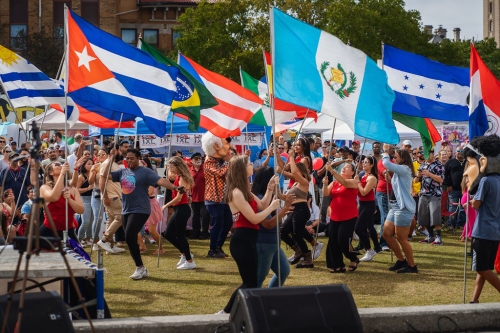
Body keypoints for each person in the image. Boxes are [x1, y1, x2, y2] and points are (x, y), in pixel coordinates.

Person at [103, 148, 184, 280]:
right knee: (130, 238)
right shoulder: (123, 171)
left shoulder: (145, 172)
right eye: (127, 158)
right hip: (126, 210)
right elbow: (106, 176)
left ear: (139, 159)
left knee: (129, 236)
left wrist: (175, 187)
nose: (129, 160)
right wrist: (110, 159)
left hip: (141, 209)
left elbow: (161, 181)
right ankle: (140, 268)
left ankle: (140, 268)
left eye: (132, 158)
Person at [217, 155, 280, 314]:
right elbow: (254, 218)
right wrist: (272, 209)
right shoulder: (236, 192)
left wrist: (270, 189)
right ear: (242, 168)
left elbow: (262, 204)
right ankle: (226, 312)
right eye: (250, 163)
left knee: (251, 282)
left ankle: (234, 311)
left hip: (250, 240)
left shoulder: (246, 190)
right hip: (242, 240)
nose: (253, 165)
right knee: (249, 282)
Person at [463, 135, 500, 303]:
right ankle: (475, 300)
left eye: (470, 164)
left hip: (483, 231)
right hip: (495, 231)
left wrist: (471, 201)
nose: (466, 170)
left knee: (482, 268)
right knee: (483, 268)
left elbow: (476, 205)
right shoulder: (498, 180)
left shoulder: (485, 180)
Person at [252, 166, 294, 288]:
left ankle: (270, 296)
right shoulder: (260, 199)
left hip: (274, 242)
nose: (277, 182)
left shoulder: (270, 197)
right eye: (274, 180)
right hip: (264, 243)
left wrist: (283, 205)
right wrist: (284, 209)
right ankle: (253, 302)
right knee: (259, 277)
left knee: (284, 271)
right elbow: (268, 224)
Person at [381, 144, 418, 273]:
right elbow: (399, 187)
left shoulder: (405, 168)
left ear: (402, 158)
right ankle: (401, 260)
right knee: (386, 234)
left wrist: (385, 151)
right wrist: (391, 179)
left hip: (403, 208)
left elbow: (387, 164)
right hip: (395, 206)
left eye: (395, 157)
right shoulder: (402, 170)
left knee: (401, 238)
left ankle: (412, 266)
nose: (393, 159)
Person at [323, 162, 359, 273]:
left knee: (343, 240)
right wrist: (325, 184)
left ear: (352, 172)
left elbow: (344, 182)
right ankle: (338, 265)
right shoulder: (334, 183)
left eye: (347, 167)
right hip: (335, 215)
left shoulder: (354, 181)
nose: (344, 169)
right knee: (333, 241)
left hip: (349, 216)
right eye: (343, 167)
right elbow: (325, 193)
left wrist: (332, 171)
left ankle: (353, 258)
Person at [280, 149, 313, 268]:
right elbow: (286, 197)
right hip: (294, 209)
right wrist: (276, 193)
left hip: (301, 209)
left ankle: (308, 258)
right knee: (282, 233)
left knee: (297, 235)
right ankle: (299, 251)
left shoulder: (304, 182)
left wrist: (291, 157)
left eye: (298, 170)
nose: (295, 172)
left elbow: (293, 171)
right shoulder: (295, 184)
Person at [201, 132, 233, 259]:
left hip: (223, 198)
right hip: (213, 198)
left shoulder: (220, 161)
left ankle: (218, 246)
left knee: (228, 221)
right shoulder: (208, 162)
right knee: (218, 223)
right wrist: (228, 162)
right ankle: (212, 249)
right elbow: (220, 173)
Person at [161, 156, 196, 270]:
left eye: (172, 167)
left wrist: (165, 206)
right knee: (170, 234)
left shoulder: (182, 178)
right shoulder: (181, 177)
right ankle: (185, 254)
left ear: (178, 166)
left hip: (181, 208)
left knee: (177, 235)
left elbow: (179, 198)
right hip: (180, 208)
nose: (171, 170)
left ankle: (189, 260)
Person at [39, 162, 84, 242]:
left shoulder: (73, 190)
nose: (61, 165)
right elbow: (54, 197)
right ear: (50, 172)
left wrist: (69, 199)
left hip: (68, 231)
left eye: (61, 164)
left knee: (79, 254)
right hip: (48, 232)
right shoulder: (45, 188)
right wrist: (62, 173)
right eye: (57, 165)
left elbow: (81, 210)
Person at [96, 148, 125, 254]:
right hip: (111, 196)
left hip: (114, 195)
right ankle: (104, 240)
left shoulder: (112, 163)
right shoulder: (107, 163)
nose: (120, 152)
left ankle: (110, 245)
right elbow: (101, 181)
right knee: (121, 217)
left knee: (111, 219)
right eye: (119, 150)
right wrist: (105, 196)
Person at [415, 149, 445, 245]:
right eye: (425, 154)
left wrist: (429, 174)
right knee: (424, 216)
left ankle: (439, 237)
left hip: (435, 194)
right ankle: (430, 236)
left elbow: (441, 180)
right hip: (423, 193)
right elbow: (415, 181)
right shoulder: (423, 165)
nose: (426, 156)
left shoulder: (439, 165)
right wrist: (418, 176)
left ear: (432, 154)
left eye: (428, 154)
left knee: (435, 215)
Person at [357, 156, 381, 261]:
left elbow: (364, 192)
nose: (364, 164)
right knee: (363, 228)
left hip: (368, 205)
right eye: (363, 162)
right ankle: (370, 249)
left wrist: (357, 182)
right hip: (361, 204)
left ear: (372, 165)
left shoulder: (372, 178)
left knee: (358, 228)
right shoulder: (363, 176)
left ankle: (370, 250)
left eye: (366, 162)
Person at [76, 158, 99, 247]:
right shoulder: (81, 176)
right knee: (85, 221)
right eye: (88, 164)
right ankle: (79, 239)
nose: (91, 165)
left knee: (91, 221)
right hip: (84, 200)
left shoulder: (94, 174)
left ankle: (88, 239)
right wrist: (88, 188)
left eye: (92, 164)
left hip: (94, 198)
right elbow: (77, 189)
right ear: (84, 166)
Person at [444, 145, 466, 232]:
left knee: (463, 207)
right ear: (455, 152)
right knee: (452, 207)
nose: (460, 153)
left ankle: (460, 224)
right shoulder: (450, 162)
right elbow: (445, 175)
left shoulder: (467, 162)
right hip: (453, 189)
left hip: (464, 189)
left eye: (462, 151)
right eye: (458, 151)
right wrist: (449, 185)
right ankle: (450, 225)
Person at [189, 152, 210, 240]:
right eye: (196, 159)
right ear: (192, 160)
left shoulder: (205, 169)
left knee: (204, 216)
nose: (198, 160)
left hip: (204, 196)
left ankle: (205, 232)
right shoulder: (189, 170)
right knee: (195, 216)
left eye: (199, 159)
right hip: (193, 197)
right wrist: (189, 195)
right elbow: (188, 184)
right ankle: (196, 232)